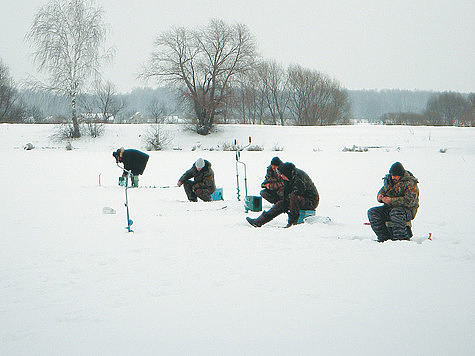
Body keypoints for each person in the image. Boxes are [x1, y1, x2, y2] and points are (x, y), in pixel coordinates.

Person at [246, 162, 319, 228]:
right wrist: (283, 202)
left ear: (286, 173)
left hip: (311, 201)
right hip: (298, 199)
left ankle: (293, 223)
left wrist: (290, 206)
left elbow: (299, 192)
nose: (281, 176)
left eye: (282, 174)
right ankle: (259, 221)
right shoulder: (289, 177)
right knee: (281, 204)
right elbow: (286, 193)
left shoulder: (299, 176)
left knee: (294, 197)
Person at [367, 162, 419, 242]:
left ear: (401, 175)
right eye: (392, 175)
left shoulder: (410, 183)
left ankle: (401, 239)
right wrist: (380, 196)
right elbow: (383, 190)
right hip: (389, 208)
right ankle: (384, 238)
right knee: (372, 212)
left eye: (395, 175)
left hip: (406, 210)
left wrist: (391, 201)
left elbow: (410, 201)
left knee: (396, 213)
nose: (393, 177)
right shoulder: (389, 180)